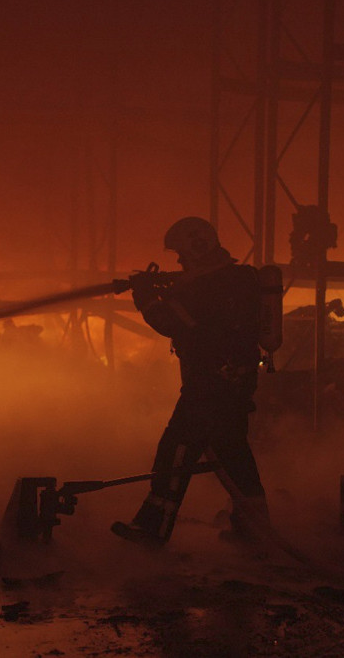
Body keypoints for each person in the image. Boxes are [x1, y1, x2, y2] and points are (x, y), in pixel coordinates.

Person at [111, 216, 269, 546]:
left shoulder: (209, 286)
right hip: (233, 383)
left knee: (176, 450)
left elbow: (170, 321)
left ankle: (153, 529)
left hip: (210, 386)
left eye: (182, 255)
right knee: (233, 454)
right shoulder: (236, 280)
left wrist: (146, 297)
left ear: (197, 249)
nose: (180, 262)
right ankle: (254, 529)